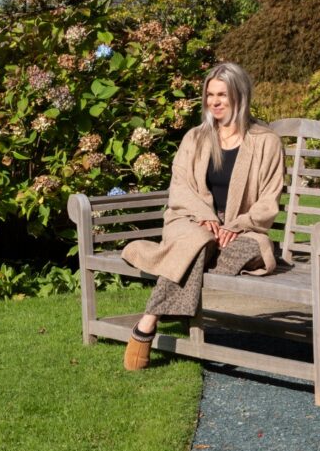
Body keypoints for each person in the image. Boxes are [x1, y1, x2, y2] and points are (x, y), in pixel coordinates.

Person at [120, 62, 285, 370]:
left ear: (240, 96)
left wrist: (236, 226)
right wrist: (204, 215)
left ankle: (184, 260)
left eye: (222, 95)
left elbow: (268, 200)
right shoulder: (195, 138)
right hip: (191, 221)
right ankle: (148, 322)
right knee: (198, 241)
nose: (214, 102)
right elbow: (180, 186)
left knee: (250, 249)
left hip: (242, 228)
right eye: (210, 95)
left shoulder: (266, 142)